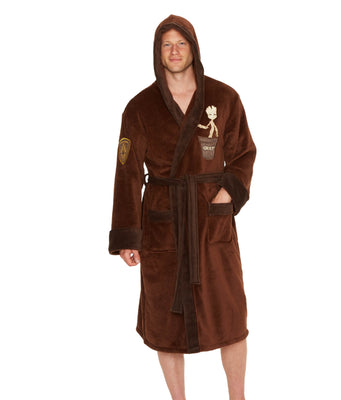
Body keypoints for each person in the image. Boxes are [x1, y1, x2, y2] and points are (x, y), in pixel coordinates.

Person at [109, 15, 256, 400]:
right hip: (164, 223)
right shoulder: (140, 107)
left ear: (193, 47)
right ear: (158, 52)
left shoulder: (224, 98)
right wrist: (128, 235)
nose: (174, 51)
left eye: (181, 43)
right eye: (166, 44)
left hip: (212, 221)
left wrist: (227, 194)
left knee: (231, 317)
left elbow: (244, 152)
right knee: (165, 322)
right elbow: (127, 172)